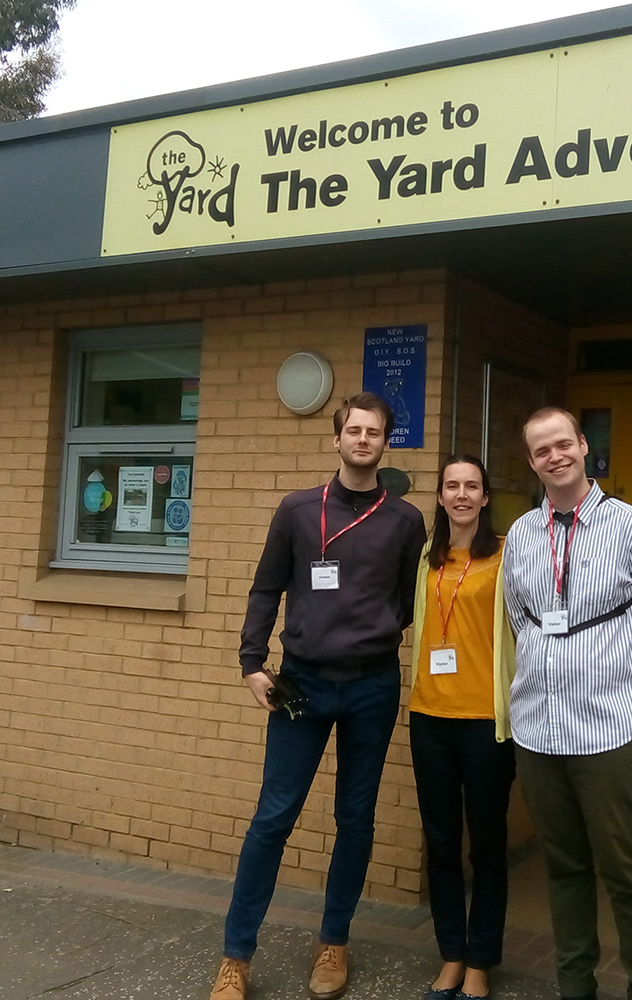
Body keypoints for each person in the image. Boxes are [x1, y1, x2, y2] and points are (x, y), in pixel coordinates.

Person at [212, 392, 427, 1000]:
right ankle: (236, 956)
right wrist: (252, 662)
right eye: (353, 431)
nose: (363, 440)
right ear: (336, 440)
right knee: (273, 818)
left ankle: (334, 940)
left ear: (387, 443)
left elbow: (409, 603)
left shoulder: (406, 520)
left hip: (372, 686)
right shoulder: (299, 510)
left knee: (355, 818)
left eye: (374, 432)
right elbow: (265, 587)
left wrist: (370, 629)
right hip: (299, 684)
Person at [500, 406, 632, 1000]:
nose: (554, 456)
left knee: (629, 876)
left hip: (616, 733)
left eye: (563, 444)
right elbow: (519, 619)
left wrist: (618, 679)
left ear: (583, 447)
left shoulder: (630, 527)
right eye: (541, 450)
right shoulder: (523, 535)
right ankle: (574, 986)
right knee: (566, 871)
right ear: (531, 462)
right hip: (539, 734)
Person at [407, 455, 517, 1000]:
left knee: (487, 845)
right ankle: (451, 954)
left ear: (486, 496)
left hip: (486, 723)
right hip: (429, 718)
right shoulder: (426, 556)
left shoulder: (505, 557)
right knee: (441, 843)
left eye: (472, 485)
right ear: (441, 495)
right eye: (452, 486)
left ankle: (481, 961)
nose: (462, 494)